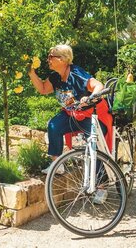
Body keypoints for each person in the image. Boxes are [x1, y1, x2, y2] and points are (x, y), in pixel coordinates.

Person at [27, 44, 113, 177]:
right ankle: (57, 165)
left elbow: (98, 85)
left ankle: (101, 186)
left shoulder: (76, 74)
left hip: (92, 114)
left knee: (93, 145)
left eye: (51, 56)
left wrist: (90, 97)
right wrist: (31, 72)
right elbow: (43, 89)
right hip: (73, 113)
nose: (48, 59)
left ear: (63, 59)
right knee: (54, 125)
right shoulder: (56, 77)